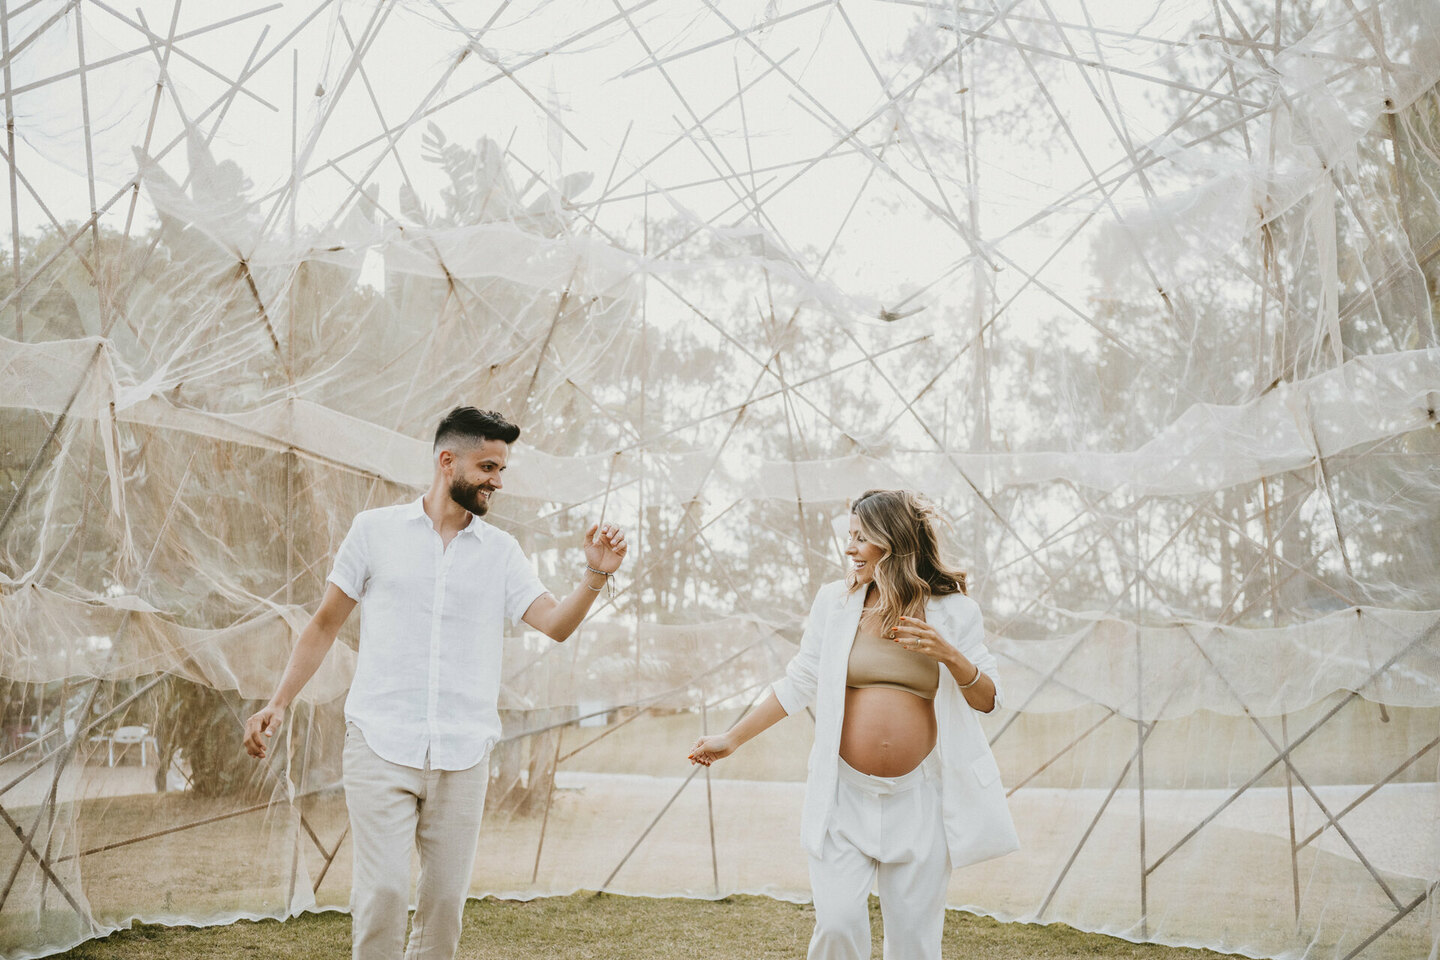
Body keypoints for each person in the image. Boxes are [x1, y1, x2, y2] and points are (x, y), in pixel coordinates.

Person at [243, 406, 627, 960]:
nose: (497, 480)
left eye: (501, 469)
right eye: (488, 466)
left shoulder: (502, 552)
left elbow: (556, 625)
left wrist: (596, 574)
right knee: (384, 894)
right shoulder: (373, 532)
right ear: (448, 462)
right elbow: (325, 622)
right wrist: (279, 702)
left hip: (464, 753)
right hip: (380, 744)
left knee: (444, 906)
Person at [689, 488, 1017, 960]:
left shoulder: (955, 611)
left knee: (914, 944)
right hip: (842, 796)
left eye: (860, 538)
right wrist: (731, 738)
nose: (849, 548)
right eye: (850, 536)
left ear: (893, 541)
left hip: (920, 800)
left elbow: (988, 700)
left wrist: (948, 653)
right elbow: (799, 680)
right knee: (838, 926)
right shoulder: (835, 602)